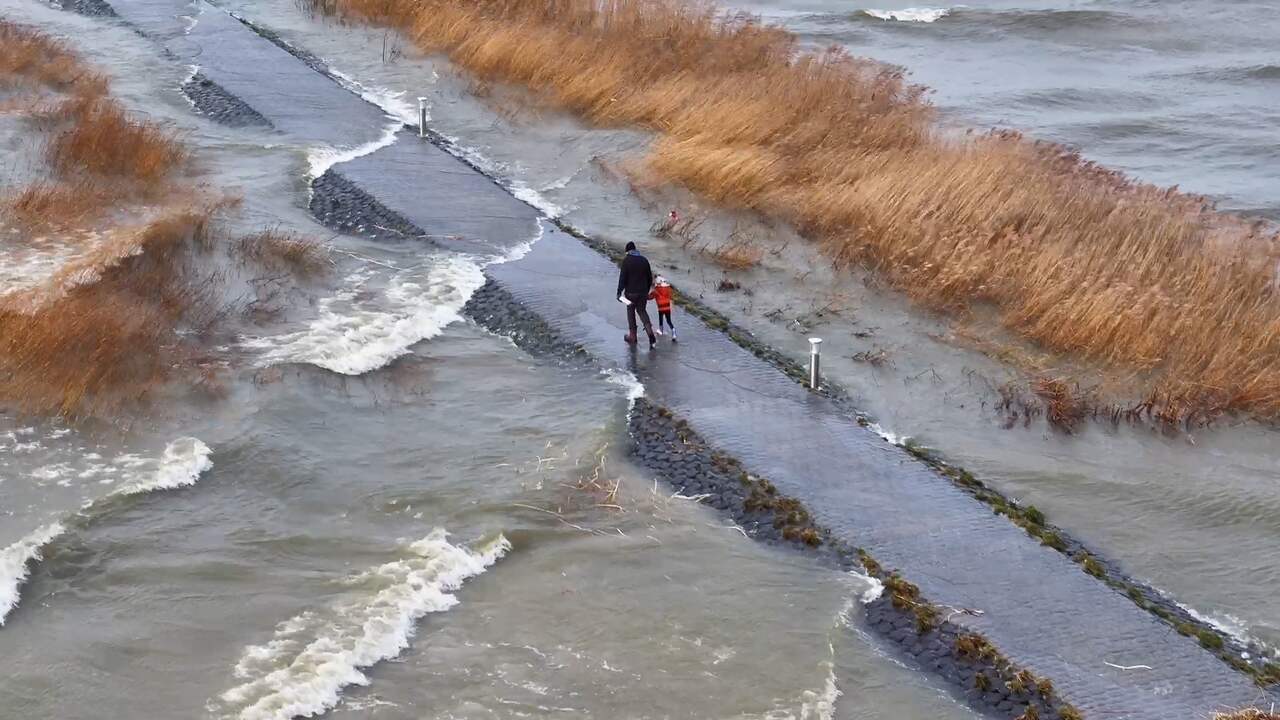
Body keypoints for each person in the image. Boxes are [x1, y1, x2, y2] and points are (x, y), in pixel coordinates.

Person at [617, 241, 656, 347]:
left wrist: (619, 292)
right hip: (643, 292)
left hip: (631, 293)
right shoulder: (644, 260)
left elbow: (623, 278)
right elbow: (649, 278)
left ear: (628, 251)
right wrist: (646, 291)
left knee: (630, 312)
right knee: (642, 311)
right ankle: (650, 334)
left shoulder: (626, 261)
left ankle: (632, 337)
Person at [649, 275, 677, 341]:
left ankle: (661, 331)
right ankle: (674, 333)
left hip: (661, 308)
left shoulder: (656, 290)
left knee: (660, 319)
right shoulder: (668, 288)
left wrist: (644, 296)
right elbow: (670, 296)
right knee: (669, 321)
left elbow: (650, 297)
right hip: (667, 307)